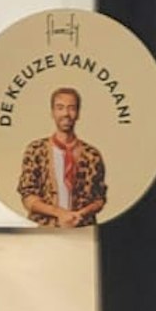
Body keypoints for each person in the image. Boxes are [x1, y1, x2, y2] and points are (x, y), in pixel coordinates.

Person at [17, 86, 107, 228]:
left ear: (78, 113)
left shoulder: (92, 155)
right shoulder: (36, 150)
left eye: (71, 108)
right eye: (60, 108)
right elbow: (28, 197)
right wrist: (59, 213)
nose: (66, 113)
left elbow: (99, 199)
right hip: (44, 229)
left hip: (82, 229)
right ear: (52, 113)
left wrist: (79, 215)